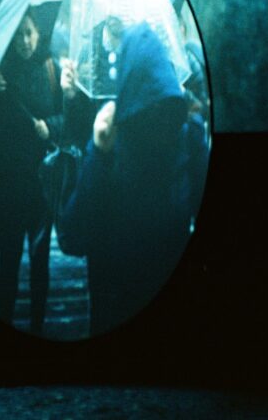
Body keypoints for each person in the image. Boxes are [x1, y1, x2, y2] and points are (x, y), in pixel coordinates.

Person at [60, 22, 208, 335]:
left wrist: (97, 152)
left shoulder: (112, 144)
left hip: (113, 308)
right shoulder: (188, 136)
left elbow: (72, 237)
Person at [0, 11, 63, 335]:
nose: (25, 41)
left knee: (40, 261)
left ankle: (37, 328)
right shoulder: (1, 72)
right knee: (8, 260)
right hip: (8, 180)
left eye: (29, 33)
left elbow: (67, 120)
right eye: (18, 35)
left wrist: (49, 127)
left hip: (42, 180)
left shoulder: (51, 69)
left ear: (38, 33)